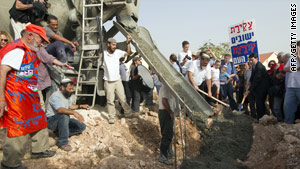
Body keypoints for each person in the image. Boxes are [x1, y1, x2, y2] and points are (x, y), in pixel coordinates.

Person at [0, 24, 55, 169]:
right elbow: (2, 72)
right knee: (18, 128)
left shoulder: (30, 51)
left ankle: (39, 150)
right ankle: (10, 164)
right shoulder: (17, 51)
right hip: (16, 98)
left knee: (39, 120)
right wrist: (1, 99)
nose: (42, 43)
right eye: (40, 39)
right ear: (30, 36)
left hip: (29, 96)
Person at [46, 79, 88, 151]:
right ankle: (63, 142)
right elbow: (60, 110)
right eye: (70, 89)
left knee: (81, 126)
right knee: (64, 116)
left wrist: (81, 106)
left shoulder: (67, 95)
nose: (71, 91)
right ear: (62, 87)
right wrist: (74, 113)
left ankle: (60, 133)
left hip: (63, 120)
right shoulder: (55, 96)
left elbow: (70, 106)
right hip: (51, 121)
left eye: (72, 89)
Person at [103, 36, 133, 124]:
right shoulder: (104, 54)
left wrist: (128, 44)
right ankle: (111, 117)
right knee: (110, 100)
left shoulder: (117, 53)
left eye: (115, 45)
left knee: (122, 98)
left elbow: (128, 53)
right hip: (108, 81)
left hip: (117, 80)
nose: (114, 46)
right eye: (113, 45)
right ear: (108, 44)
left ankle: (128, 113)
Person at [248, 53, 271, 120]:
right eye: (249, 60)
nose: (250, 62)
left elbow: (256, 80)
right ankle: (262, 117)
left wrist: (249, 90)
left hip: (262, 88)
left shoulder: (260, 67)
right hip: (257, 89)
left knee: (260, 103)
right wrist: (249, 82)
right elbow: (252, 77)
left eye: (252, 60)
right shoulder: (254, 66)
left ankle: (261, 118)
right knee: (259, 103)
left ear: (256, 59)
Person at [158, 84, 176, 165]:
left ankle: (168, 152)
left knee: (167, 133)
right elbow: (164, 100)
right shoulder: (166, 87)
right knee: (167, 134)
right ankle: (163, 156)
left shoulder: (166, 87)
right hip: (165, 112)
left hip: (164, 112)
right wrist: (170, 112)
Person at [283, 41, 300, 124]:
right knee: (288, 106)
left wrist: (299, 56)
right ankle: (289, 124)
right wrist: (296, 68)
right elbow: (285, 69)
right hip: (291, 87)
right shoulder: (291, 58)